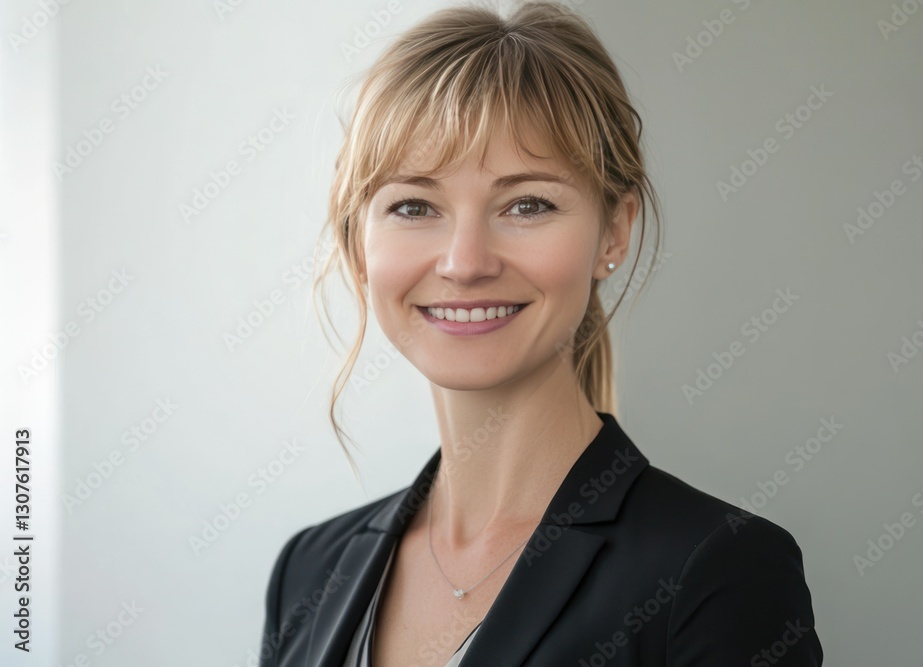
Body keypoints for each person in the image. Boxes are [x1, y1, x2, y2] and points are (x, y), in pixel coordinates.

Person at [259, 2, 823, 665]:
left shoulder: (718, 572)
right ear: (360, 244)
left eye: (527, 204)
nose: (465, 262)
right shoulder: (307, 569)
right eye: (414, 205)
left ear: (614, 230)